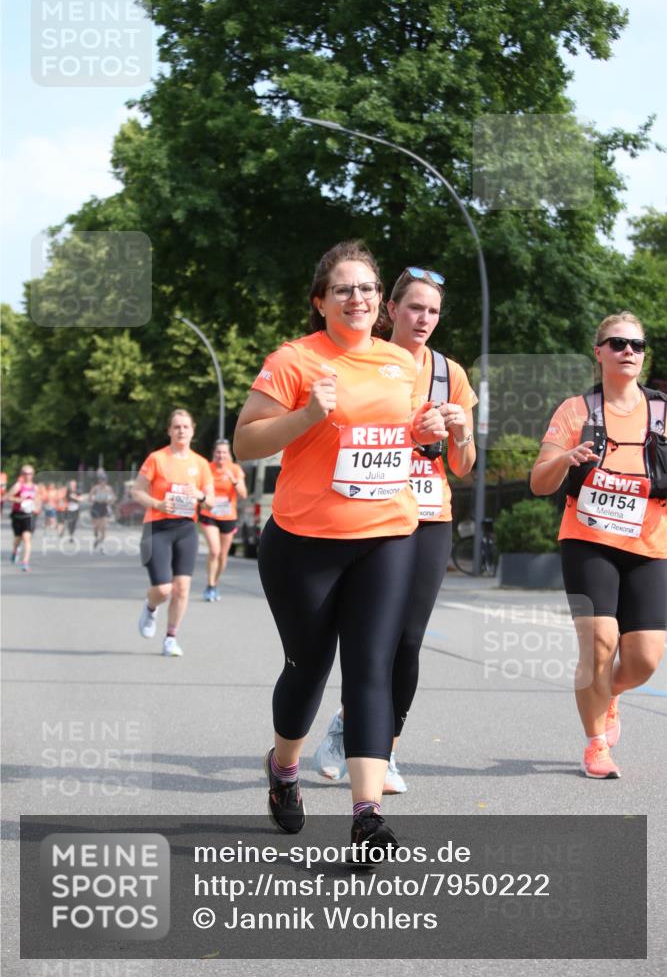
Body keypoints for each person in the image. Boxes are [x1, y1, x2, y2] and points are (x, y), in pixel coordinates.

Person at [234, 241, 447, 852]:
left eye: (368, 288)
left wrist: (424, 430)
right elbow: (246, 442)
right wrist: (306, 416)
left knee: (370, 669)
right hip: (305, 541)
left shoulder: (398, 362)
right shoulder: (294, 360)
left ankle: (366, 814)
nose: (358, 297)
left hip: (387, 533)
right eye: (345, 289)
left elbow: (399, 433)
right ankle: (283, 769)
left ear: (381, 301)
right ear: (321, 301)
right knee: (308, 667)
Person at [314, 266, 477, 793]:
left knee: (408, 641)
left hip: (429, 515)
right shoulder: (365, 361)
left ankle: (378, 747)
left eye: (432, 310)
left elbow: (465, 464)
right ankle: (362, 736)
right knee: (370, 641)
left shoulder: (450, 373)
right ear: (392, 311)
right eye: (414, 308)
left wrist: (460, 431)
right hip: (374, 513)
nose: (423, 318)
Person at [531, 313, 667, 779]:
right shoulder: (576, 411)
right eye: (618, 343)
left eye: (637, 344)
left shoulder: (662, 412)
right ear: (599, 352)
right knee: (600, 643)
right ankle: (595, 746)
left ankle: (609, 696)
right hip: (588, 539)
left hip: (650, 543)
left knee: (646, 659)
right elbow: (538, 482)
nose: (629, 351)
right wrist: (566, 458)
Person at [132, 409, 214, 657]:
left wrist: (199, 496)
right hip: (157, 527)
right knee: (164, 589)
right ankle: (151, 607)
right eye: (176, 427)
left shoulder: (200, 464)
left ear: (193, 430)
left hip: (186, 529)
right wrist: (157, 504)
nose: (181, 431)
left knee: (182, 588)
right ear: (169, 431)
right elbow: (137, 491)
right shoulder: (157, 458)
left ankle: (170, 637)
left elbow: (211, 501)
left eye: (185, 427)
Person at [199, 439, 247, 601]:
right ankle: (210, 585)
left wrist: (233, 480)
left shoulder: (235, 469)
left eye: (224, 452)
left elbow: (243, 494)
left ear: (229, 454)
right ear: (214, 453)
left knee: (222, 555)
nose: (221, 455)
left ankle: (214, 584)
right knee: (214, 550)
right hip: (209, 514)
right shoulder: (207, 469)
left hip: (228, 516)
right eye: (218, 452)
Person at [8, 464, 40, 572]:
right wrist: (17, 500)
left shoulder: (35, 487)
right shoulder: (18, 485)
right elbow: (8, 496)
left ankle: (25, 563)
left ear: (33, 475)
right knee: (18, 538)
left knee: (27, 537)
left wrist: (37, 507)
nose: (28, 476)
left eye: (30, 473)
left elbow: (38, 500)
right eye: (25, 473)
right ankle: (15, 551)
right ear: (22, 474)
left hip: (29, 516)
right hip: (17, 515)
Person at [88, 470, 116, 551]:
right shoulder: (95, 488)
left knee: (103, 527)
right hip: (96, 507)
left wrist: (110, 501)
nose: (102, 481)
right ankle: (96, 537)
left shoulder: (108, 489)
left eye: (104, 480)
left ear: (106, 480)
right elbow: (89, 498)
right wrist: (93, 499)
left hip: (104, 507)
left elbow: (114, 498)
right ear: (99, 480)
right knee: (96, 526)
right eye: (101, 480)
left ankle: (101, 544)